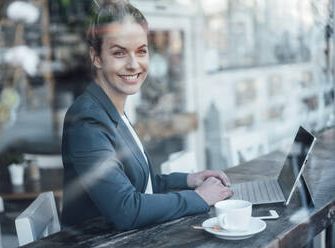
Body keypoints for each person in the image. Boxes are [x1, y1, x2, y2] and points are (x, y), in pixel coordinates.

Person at [61, 0, 233, 230]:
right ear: (96, 57)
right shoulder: (87, 122)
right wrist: (200, 198)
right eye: (119, 53)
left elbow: (140, 184)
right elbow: (126, 208)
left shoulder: (112, 110)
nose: (134, 64)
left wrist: (189, 181)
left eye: (141, 51)